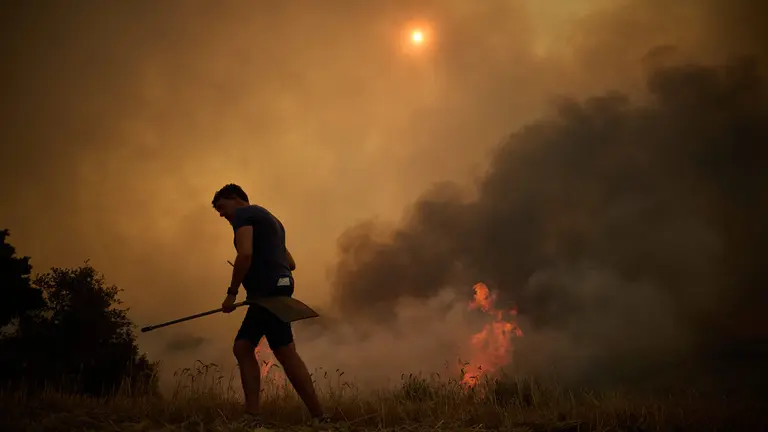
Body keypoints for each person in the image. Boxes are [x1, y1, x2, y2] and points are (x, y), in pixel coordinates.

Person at [211, 183, 327, 424]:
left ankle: (255, 416)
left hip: (265, 292)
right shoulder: (271, 219)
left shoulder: (244, 214)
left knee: (277, 352)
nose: (222, 215)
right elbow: (290, 262)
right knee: (251, 347)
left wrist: (232, 293)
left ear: (235, 198)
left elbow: (244, 253)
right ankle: (318, 416)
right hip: (280, 285)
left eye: (222, 208)